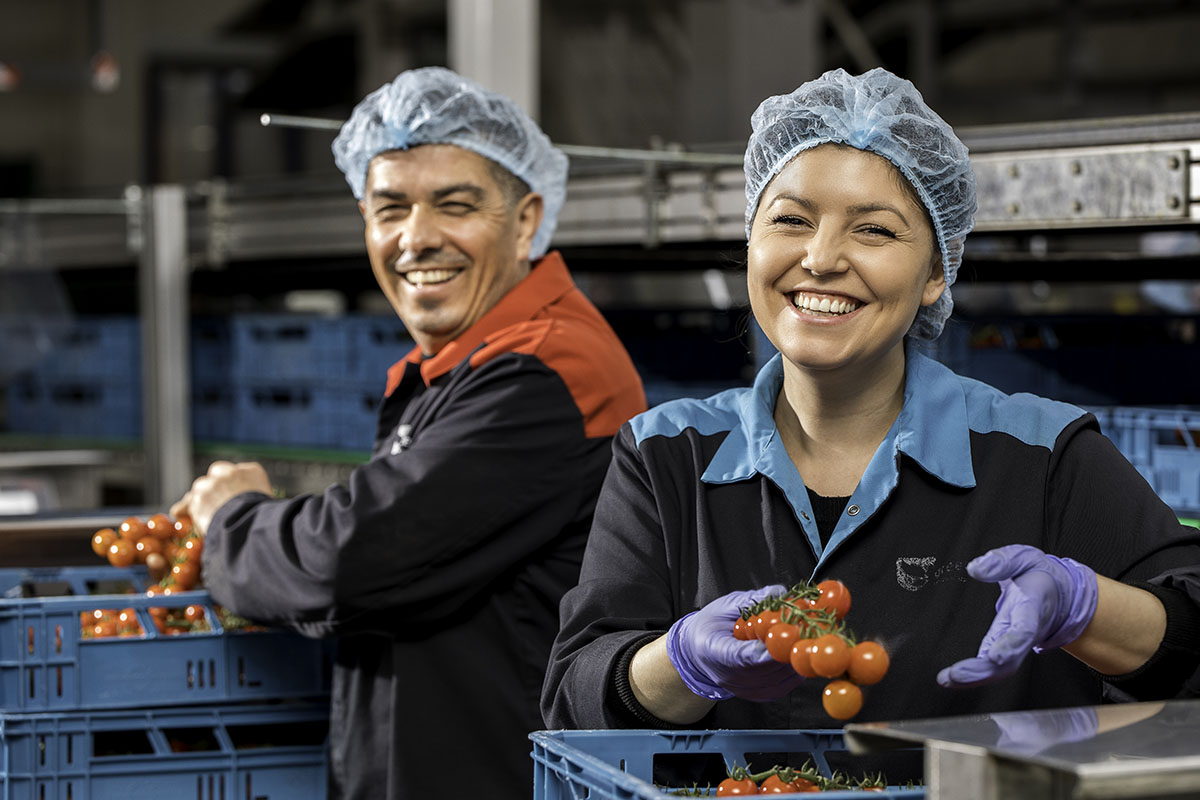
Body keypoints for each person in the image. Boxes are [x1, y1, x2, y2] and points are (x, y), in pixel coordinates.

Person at [541, 68, 1200, 747]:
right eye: (791, 220)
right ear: (750, 243)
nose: (821, 258)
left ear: (936, 272)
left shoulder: (1045, 454)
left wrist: (1085, 609)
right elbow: (575, 695)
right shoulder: (664, 453)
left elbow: (1191, 628)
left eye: (875, 231)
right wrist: (678, 663)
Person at [171, 66, 646, 800]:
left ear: (525, 220)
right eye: (388, 209)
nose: (415, 239)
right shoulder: (469, 363)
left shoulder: (549, 371)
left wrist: (233, 520)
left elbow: (351, 561)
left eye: (454, 205)